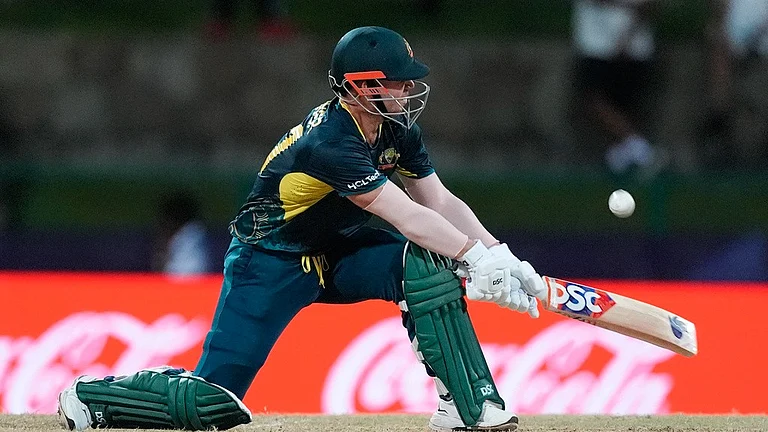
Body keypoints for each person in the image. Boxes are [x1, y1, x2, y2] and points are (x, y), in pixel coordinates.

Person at [56, 26, 547, 432]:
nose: (407, 90)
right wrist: (476, 259)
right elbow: (407, 215)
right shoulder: (330, 143)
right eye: (396, 82)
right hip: (269, 261)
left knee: (422, 265)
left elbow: (438, 199)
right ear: (361, 87)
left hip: (338, 251)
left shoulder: (395, 127)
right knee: (212, 405)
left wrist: (502, 256)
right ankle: (97, 397)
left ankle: (468, 409)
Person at [571, 0, 667, 175]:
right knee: (594, 100)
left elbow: (651, 6)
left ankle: (637, 152)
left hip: (634, 49)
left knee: (621, 105)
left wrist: (627, 37)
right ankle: (636, 151)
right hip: (596, 45)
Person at [702, 0, 768, 169]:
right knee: (734, 110)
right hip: (730, 56)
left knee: (755, 110)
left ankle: (752, 163)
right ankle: (740, 161)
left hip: (758, 57)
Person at [153, 192, 213, 276]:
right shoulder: (178, 237)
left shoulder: (192, 234)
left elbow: (188, 273)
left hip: (190, 285)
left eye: (167, 220)